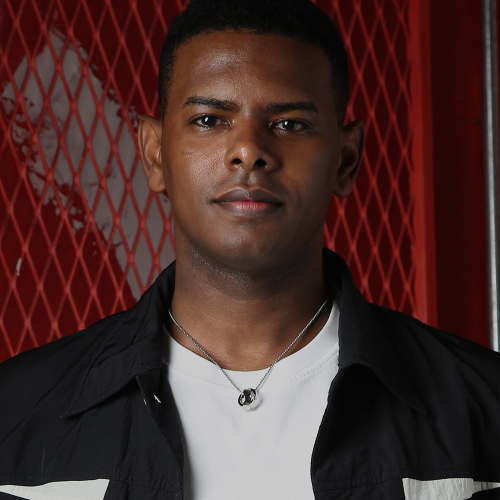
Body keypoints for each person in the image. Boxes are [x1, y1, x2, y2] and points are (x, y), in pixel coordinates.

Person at [1, 0, 500, 499]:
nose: (249, 150)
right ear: (154, 155)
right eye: (209, 119)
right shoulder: (15, 415)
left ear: (345, 159)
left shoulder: (485, 410)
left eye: (290, 123)